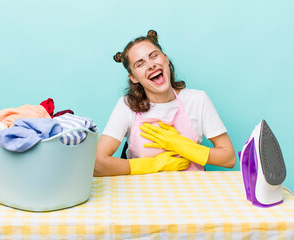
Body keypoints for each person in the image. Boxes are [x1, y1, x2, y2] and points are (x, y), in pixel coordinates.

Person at [94, 30, 236, 176]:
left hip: (193, 192)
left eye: (154, 56)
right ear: (133, 77)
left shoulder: (197, 100)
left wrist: (179, 145)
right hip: (143, 192)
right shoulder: (127, 106)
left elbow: (229, 158)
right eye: (140, 64)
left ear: (166, 59)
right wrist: (154, 164)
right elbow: (97, 165)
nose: (151, 65)